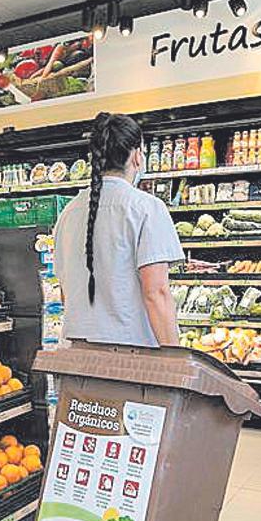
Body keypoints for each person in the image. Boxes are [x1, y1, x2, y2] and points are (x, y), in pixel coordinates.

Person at [53, 112, 183, 348]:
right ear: (136, 155)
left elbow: (65, 295)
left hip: (76, 356)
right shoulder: (146, 208)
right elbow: (157, 293)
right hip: (130, 360)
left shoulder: (68, 213)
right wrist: (178, 359)